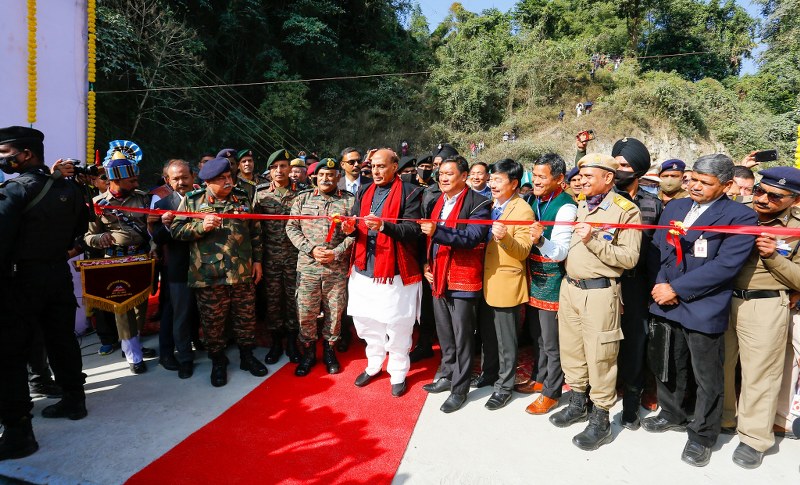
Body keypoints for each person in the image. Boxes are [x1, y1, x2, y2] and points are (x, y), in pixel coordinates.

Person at [643, 154, 757, 467]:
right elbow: (660, 249)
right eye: (692, 179)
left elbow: (725, 266)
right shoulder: (676, 206)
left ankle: (702, 435)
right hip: (665, 299)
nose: (694, 186)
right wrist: (662, 285)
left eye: (705, 183)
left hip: (703, 304)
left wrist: (677, 289)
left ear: (727, 185)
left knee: (707, 375)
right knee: (669, 361)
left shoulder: (740, 217)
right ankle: (672, 413)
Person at [0, 126, 90, 461]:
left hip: (20, 280)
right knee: (61, 339)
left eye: (5, 152)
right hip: (57, 274)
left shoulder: (14, 191)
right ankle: (74, 400)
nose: (1, 159)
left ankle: (18, 431)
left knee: (9, 354)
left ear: (25, 154)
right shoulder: (68, 189)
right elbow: (78, 231)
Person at [549, 153, 641, 451]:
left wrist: (593, 240)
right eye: (581, 175)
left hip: (600, 293)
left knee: (601, 355)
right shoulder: (577, 205)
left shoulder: (625, 211)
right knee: (571, 349)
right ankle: (578, 403)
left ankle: (601, 416)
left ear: (608, 178)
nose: (582, 180)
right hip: (570, 288)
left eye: (589, 176)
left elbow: (629, 259)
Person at [721, 167, 800, 468]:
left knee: (760, 375)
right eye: (759, 191)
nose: (763, 199)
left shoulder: (796, 228)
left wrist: (773, 257)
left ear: (794, 200)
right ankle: (725, 419)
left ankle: (754, 439)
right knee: (722, 365)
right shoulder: (735, 214)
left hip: (766, 305)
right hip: (723, 298)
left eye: (775, 196)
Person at [170, 157, 267, 387]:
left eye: (229, 177)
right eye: (221, 179)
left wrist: (258, 262)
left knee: (246, 319)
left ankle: (247, 356)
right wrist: (201, 227)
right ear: (208, 182)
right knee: (213, 323)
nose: (228, 181)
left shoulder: (242, 198)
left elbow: (255, 232)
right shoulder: (193, 201)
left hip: (242, 272)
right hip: (209, 275)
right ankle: (218, 361)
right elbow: (175, 230)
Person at [342, 149, 423, 397]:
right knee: (367, 322)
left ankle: (398, 371)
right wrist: (350, 228)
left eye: (381, 166)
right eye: (373, 167)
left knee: (397, 324)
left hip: (395, 271)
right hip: (364, 267)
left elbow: (413, 230)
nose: (375, 171)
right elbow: (358, 223)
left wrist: (385, 226)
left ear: (395, 167)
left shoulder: (411, 192)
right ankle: (374, 364)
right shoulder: (365, 190)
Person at [420, 156, 491, 413]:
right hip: (438, 274)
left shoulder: (480, 202)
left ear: (464, 176)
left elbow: (472, 237)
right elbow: (431, 240)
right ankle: (447, 374)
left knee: (462, 336)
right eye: (441, 174)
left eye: (450, 173)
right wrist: (427, 264)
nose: (443, 178)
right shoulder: (438, 201)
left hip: (462, 278)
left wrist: (437, 232)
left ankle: (459, 388)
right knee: (445, 333)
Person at [84, 144, 156, 374]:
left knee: (139, 308)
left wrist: (154, 246)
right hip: (115, 259)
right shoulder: (98, 204)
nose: (136, 184)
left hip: (142, 257)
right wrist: (100, 238)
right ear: (115, 180)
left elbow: (152, 229)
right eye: (131, 181)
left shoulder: (143, 199)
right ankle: (133, 354)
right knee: (122, 307)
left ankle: (132, 343)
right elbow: (88, 236)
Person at [515, 154, 576, 415]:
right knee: (538, 336)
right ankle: (540, 378)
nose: (536, 181)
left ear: (559, 179)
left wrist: (540, 241)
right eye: (535, 175)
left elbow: (560, 252)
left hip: (553, 280)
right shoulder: (533, 200)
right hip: (533, 277)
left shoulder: (566, 206)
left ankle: (552, 391)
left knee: (552, 341)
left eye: (542, 177)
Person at [610, 137, 662, 429]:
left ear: (638, 170)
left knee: (635, 342)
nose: (619, 170)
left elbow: (657, 250)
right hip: (605, 281)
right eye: (616, 164)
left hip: (637, 283)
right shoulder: (603, 199)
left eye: (625, 165)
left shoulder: (652, 204)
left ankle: (631, 400)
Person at [286, 158, 355, 376]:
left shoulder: (349, 201)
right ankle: (308, 353)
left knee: (334, 313)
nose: (326, 178)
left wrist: (336, 252)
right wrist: (311, 249)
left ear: (338, 177)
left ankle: (329, 350)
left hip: (335, 268)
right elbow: (292, 227)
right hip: (308, 267)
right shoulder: (302, 199)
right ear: (315, 176)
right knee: (306, 312)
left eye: (331, 175)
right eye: (322, 174)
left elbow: (356, 233)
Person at [479, 159, 534, 410]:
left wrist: (505, 237)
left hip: (506, 282)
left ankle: (505, 386)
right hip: (487, 279)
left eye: (498, 179)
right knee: (489, 335)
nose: (492, 183)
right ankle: (490, 374)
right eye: (491, 179)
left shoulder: (522, 210)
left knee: (506, 340)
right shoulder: (490, 206)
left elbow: (522, 251)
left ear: (514, 183)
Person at [147, 159, 197, 379]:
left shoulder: (204, 200)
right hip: (178, 269)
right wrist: (166, 225)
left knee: (204, 312)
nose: (181, 182)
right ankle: (185, 358)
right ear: (167, 181)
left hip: (208, 267)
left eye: (185, 177)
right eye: (176, 178)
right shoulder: (162, 206)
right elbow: (156, 237)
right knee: (180, 314)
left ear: (193, 177)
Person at [254, 149, 302, 365]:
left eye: (283, 166)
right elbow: (255, 230)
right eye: (274, 167)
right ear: (269, 171)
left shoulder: (302, 193)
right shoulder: (261, 193)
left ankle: (292, 342)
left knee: (293, 300)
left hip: (295, 257)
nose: (279, 170)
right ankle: (275, 342)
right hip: (270, 258)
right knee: (273, 301)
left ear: (290, 169)